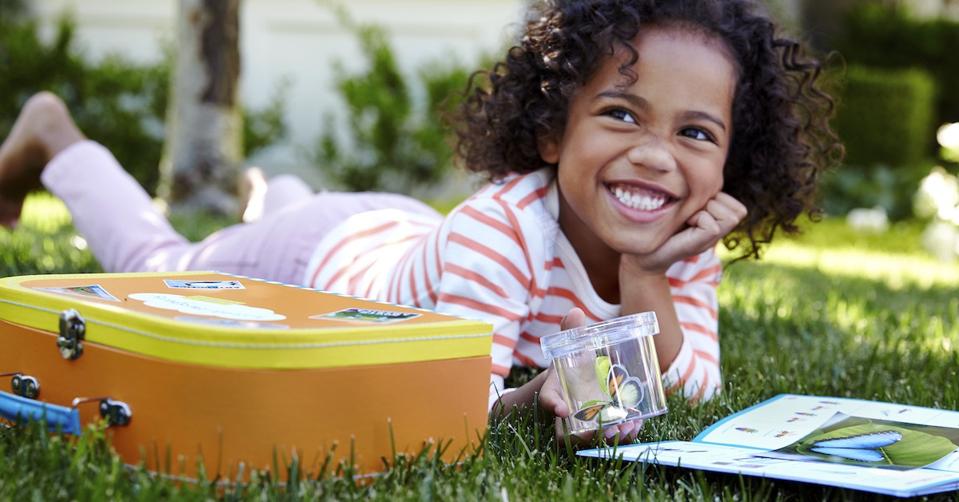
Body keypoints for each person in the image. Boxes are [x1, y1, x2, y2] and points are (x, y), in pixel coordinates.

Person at [0, 0, 839, 443]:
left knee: (346, 230)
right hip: (322, 262)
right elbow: (445, 399)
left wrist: (647, 282)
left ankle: (276, 191)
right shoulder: (502, 232)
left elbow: (692, 395)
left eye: (695, 134)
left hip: (401, 237)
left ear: (731, 162)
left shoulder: (680, 242)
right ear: (552, 131)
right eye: (621, 115)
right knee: (164, 261)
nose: (658, 156)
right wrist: (527, 401)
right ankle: (52, 134)